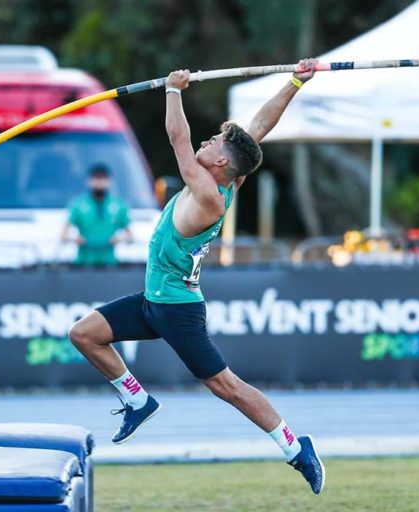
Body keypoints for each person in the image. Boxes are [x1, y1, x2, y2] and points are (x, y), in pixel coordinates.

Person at [68, 60, 325, 494]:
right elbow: (258, 126)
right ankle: (136, 399)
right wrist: (296, 82)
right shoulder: (227, 174)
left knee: (226, 386)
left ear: (221, 160)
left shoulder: (208, 192)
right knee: (85, 334)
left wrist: (173, 90)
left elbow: (177, 136)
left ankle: (295, 447)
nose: (207, 141)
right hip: (156, 300)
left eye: (215, 141)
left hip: (176, 310)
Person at [61, 165, 132, 266]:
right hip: (83, 263)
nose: (99, 183)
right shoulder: (78, 205)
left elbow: (130, 236)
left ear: (109, 181)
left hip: (109, 263)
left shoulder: (119, 205)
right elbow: (63, 236)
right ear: (89, 181)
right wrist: (76, 239)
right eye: (96, 179)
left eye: (102, 179)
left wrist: (119, 239)